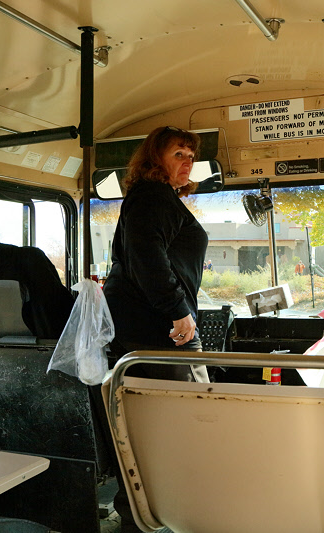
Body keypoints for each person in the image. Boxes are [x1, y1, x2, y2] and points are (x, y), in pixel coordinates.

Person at [101, 125, 209, 533]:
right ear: (154, 159)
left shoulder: (153, 199)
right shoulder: (152, 197)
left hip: (150, 329)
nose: (188, 162)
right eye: (178, 153)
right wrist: (179, 312)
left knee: (150, 429)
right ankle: (159, 515)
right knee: (177, 428)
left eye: (190, 155)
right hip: (160, 332)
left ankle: (144, 513)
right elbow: (149, 261)